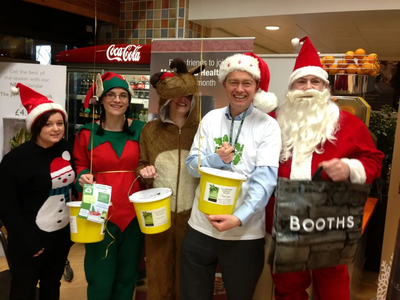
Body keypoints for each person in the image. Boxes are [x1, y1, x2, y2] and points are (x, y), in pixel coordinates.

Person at [266, 36, 384, 300]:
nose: (308, 87)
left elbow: (373, 161)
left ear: (325, 87)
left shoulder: (349, 123)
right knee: (287, 285)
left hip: (331, 216)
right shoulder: (274, 121)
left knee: (332, 285)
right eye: (301, 81)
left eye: (315, 81)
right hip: (285, 218)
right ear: (291, 87)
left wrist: (350, 167)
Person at [180, 52, 281, 299]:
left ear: (256, 87)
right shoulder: (210, 119)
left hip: (244, 235)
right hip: (200, 228)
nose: (240, 89)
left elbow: (265, 181)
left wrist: (238, 218)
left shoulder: (268, 126)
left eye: (247, 83)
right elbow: (192, 166)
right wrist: (216, 159)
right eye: (233, 82)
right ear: (224, 84)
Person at [136, 58, 204, 300]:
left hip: (193, 217)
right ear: (167, 98)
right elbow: (142, 164)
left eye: (188, 94)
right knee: (158, 272)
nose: (183, 99)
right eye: (178, 95)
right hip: (159, 216)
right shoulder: (150, 130)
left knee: (188, 276)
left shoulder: (201, 130)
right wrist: (143, 173)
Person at [73, 72, 145, 300]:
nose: (117, 100)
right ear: (101, 99)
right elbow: (80, 166)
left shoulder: (142, 130)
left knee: (128, 276)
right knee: (99, 277)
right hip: (98, 211)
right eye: (111, 95)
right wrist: (82, 177)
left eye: (123, 95)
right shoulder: (87, 133)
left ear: (129, 100)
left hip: (134, 212)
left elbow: (152, 163)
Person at [0, 83, 75, 299]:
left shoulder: (67, 148)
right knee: (23, 290)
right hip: (28, 242)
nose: (56, 129)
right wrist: (29, 242)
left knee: (52, 287)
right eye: (48, 124)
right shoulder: (15, 160)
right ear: (35, 126)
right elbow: (7, 206)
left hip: (60, 238)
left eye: (60, 123)